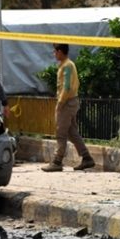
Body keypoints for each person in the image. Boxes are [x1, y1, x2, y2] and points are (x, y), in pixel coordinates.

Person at [41, 43, 96, 172]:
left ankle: (57, 161)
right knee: (72, 132)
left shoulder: (67, 65)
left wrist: (60, 103)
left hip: (66, 102)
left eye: (55, 51)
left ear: (60, 52)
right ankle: (87, 158)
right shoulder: (67, 65)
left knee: (60, 132)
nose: (54, 54)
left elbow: (66, 87)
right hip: (71, 101)